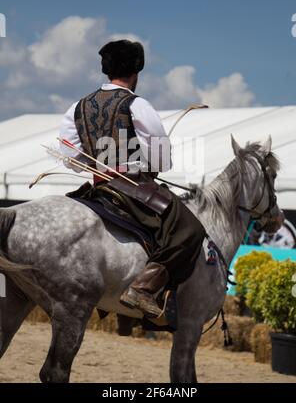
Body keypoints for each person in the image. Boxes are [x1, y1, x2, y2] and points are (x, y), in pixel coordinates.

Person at [59, 40, 205, 318]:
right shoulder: (137, 104)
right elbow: (162, 159)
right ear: (136, 72)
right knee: (191, 231)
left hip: (98, 187)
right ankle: (144, 289)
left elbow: (69, 156)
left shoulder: (76, 107)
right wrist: (152, 166)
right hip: (134, 188)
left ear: (106, 69)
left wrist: (94, 163)